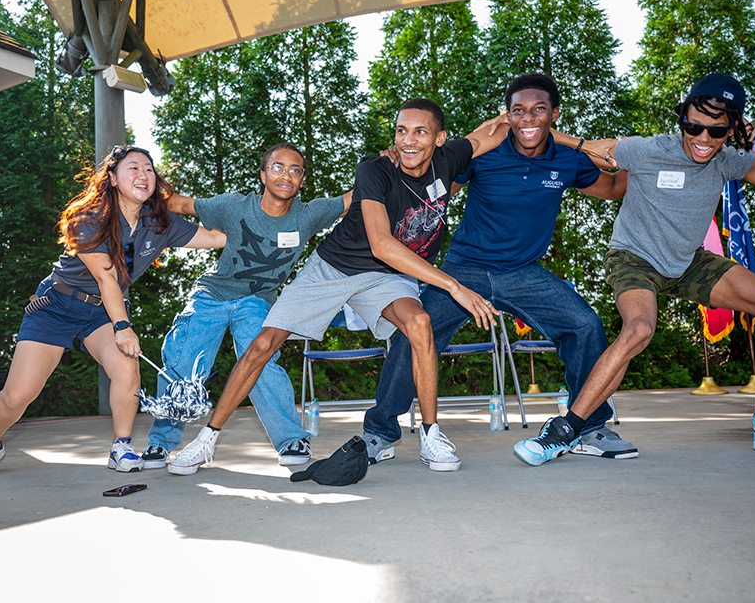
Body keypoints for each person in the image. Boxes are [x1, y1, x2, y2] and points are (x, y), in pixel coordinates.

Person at [167, 98, 503, 475]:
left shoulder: (450, 158)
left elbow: (501, 131)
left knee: (420, 324)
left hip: (386, 277)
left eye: (420, 132)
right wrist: (452, 285)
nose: (408, 140)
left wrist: (526, 119)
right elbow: (381, 244)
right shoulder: (375, 169)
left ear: (439, 139)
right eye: (401, 131)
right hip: (334, 267)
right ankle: (205, 441)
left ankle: (431, 434)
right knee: (262, 344)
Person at [514, 73, 755, 465]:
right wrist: (536, 127)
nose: (702, 138)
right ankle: (565, 430)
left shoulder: (730, 162)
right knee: (640, 328)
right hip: (634, 258)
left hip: (687, 261)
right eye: (693, 125)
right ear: (683, 118)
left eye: (716, 131)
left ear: (733, 130)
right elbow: (587, 147)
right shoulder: (647, 150)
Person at [363, 73, 637, 464]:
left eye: (538, 109)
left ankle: (588, 425)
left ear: (554, 114)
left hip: (524, 272)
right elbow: (430, 186)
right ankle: (380, 432)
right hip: (466, 269)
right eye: (518, 110)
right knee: (415, 329)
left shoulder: (568, 159)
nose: (528, 117)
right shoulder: (485, 155)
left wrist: (640, 158)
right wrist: (399, 161)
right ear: (507, 116)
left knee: (585, 326)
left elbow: (612, 188)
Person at [0, 146, 226, 476]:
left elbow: (217, 239)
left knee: (127, 369)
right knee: (18, 395)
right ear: (112, 179)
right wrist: (123, 326)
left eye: (149, 169)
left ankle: (121, 446)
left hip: (102, 314)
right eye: (133, 168)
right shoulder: (88, 217)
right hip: (57, 306)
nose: (143, 174)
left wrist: (245, 215)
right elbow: (106, 277)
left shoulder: (160, 222)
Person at [142, 143, 351, 473]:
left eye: (295, 170)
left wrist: (391, 162)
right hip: (213, 294)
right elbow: (180, 204)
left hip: (257, 300)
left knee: (261, 356)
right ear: (264, 174)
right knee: (183, 359)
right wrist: (133, 194)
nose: (286, 175)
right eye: (278, 167)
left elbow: (355, 198)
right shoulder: (233, 206)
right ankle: (161, 441)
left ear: (302, 179)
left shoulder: (308, 215)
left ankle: (291, 439)